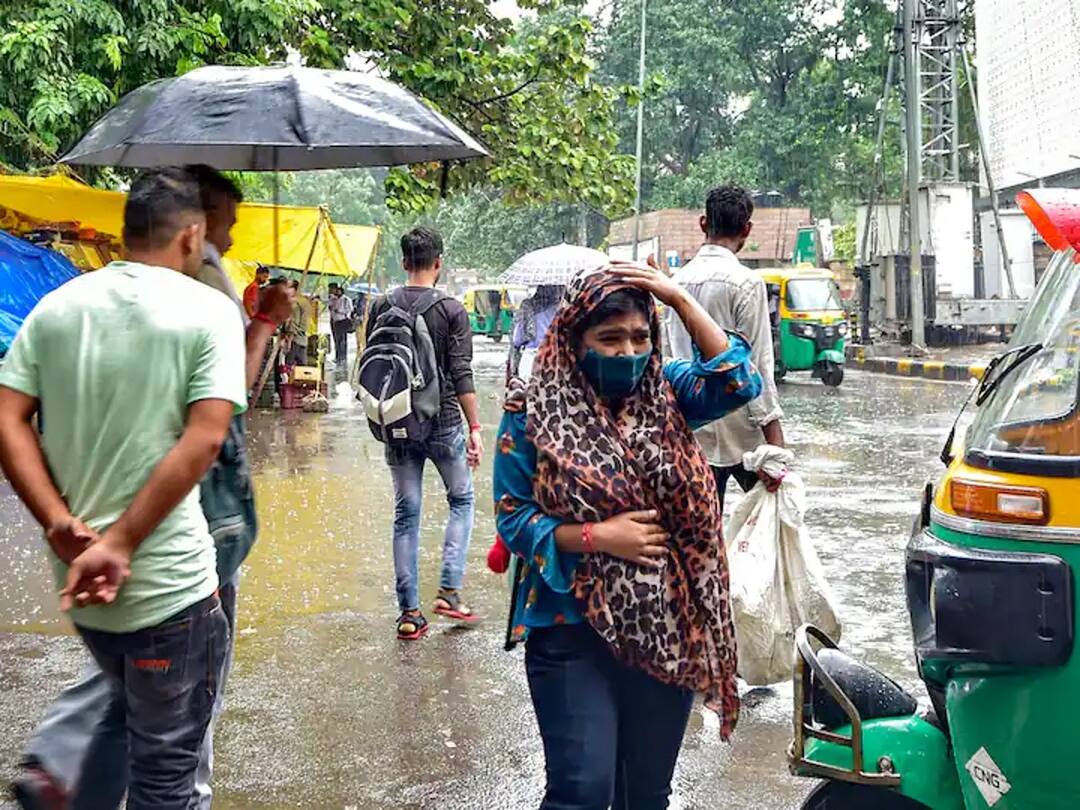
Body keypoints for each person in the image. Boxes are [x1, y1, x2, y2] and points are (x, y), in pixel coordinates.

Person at [10, 167, 294, 810]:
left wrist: (57, 522)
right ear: (191, 234)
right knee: (169, 784)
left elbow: (8, 416)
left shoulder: (58, 306)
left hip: (83, 586)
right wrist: (122, 542)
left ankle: (64, 779)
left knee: (123, 718)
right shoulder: (205, 310)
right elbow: (207, 437)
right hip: (172, 587)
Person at [493, 264, 762, 809]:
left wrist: (679, 299)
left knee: (646, 794)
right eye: (610, 338)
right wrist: (598, 536)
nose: (628, 352)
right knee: (582, 790)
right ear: (575, 339)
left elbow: (739, 381)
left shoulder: (669, 393)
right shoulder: (531, 410)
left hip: (666, 625)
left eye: (640, 337)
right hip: (568, 625)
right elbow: (513, 516)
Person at [366, 227, 484, 640]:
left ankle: (409, 614)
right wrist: (475, 427)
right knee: (462, 499)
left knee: (406, 514)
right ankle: (449, 590)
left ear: (404, 262)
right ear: (438, 263)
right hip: (444, 420)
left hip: (397, 422)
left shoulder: (381, 305)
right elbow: (462, 373)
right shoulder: (451, 309)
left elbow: (373, 368)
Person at [664, 186, 785, 512]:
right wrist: (776, 443)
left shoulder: (674, 283)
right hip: (744, 433)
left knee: (702, 531)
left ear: (703, 223)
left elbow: (668, 361)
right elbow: (757, 364)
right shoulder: (746, 283)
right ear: (747, 229)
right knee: (765, 524)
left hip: (692, 429)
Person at [507, 284, 564, 382]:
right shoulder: (564, 307)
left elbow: (517, 339)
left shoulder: (528, 305)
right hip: (557, 359)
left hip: (532, 358)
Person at [328, 282, 354, 370]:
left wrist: (340, 311)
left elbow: (349, 310)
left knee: (342, 340)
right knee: (337, 340)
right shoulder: (333, 299)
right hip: (335, 321)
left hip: (342, 321)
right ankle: (338, 356)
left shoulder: (346, 300)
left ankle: (343, 357)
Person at [286, 279, 313, 367]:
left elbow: (294, 323)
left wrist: (289, 340)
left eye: (288, 288)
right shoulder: (304, 301)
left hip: (295, 339)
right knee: (302, 365)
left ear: (294, 289)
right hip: (303, 338)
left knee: (289, 365)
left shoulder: (295, 303)